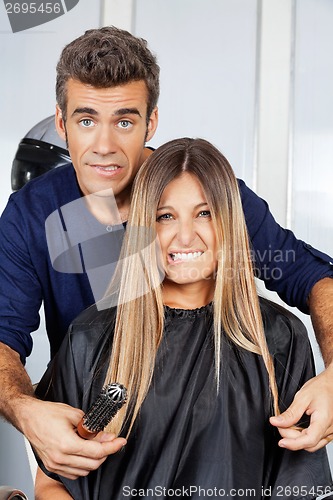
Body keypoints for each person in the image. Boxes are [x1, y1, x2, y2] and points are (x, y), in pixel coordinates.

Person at [0, 26, 332, 479]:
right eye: (85, 120)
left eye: (124, 120)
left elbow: (313, 277)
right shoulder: (32, 214)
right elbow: (2, 335)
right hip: (96, 442)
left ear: (150, 122)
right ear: (61, 123)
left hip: (216, 435)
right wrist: (25, 412)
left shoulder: (212, 198)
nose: (104, 146)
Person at [34, 138, 333, 499]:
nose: (186, 235)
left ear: (230, 223)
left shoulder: (278, 337)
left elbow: (299, 489)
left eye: (204, 213)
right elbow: (51, 482)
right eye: (165, 216)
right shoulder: (90, 336)